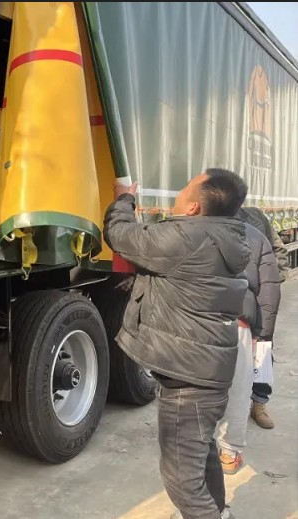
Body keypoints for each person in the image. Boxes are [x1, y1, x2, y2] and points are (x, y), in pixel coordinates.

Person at [104, 168, 250, 519]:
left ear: (194, 207)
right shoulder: (222, 236)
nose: (179, 193)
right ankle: (219, 512)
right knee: (202, 456)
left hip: (189, 379)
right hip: (203, 372)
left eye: (185, 189)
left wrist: (123, 198)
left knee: (182, 482)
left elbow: (120, 235)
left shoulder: (186, 238)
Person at [215, 221, 281, 474]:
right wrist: (262, 334)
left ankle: (259, 404)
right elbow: (270, 289)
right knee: (238, 389)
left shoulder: (186, 229)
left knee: (221, 388)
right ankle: (228, 453)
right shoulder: (253, 233)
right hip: (237, 321)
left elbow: (269, 284)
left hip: (210, 321)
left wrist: (262, 335)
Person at [237, 206, 289, 429]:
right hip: (229, 302)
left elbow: (277, 248)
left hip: (258, 300)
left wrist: (274, 279)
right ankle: (230, 405)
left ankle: (259, 403)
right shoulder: (211, 215)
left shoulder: (256, 217)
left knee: (262, 350)